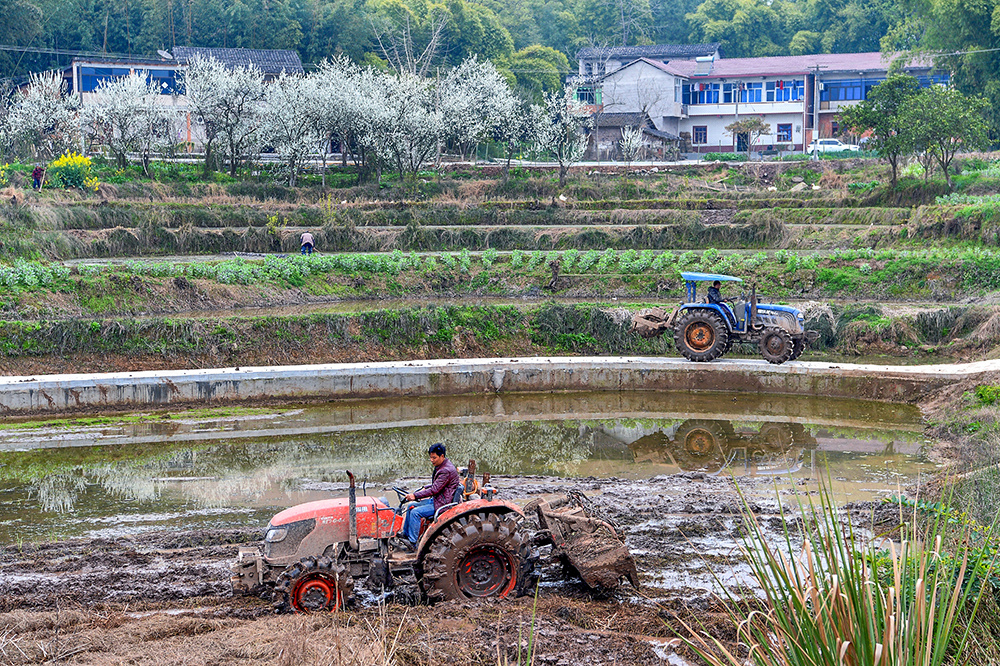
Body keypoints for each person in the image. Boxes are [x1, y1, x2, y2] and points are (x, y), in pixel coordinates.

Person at [393, 443, 459, 552]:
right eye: (430, 457)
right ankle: (406, 534)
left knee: (416, 512)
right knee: (411, 505)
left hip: (442, 503)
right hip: (439, 498)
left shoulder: (445, 470)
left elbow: (435, 490)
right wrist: (425, 488)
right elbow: (437, 485)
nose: (432, 460)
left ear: (442, 456)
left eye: (434, 458)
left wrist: (415, 495)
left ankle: (413, 542)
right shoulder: (442, 465)